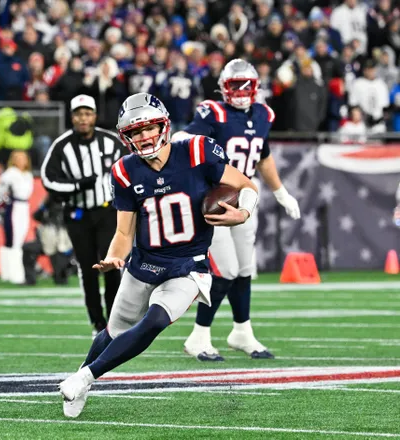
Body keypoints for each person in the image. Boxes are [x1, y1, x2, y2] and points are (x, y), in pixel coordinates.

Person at [58, 92, 258, 418]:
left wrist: (243, 214)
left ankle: (85, 376)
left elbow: (248, 186)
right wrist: (114, 257)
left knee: (155, 321)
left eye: (149, 127)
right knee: (113, 331)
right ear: (126, 137)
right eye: (135, 132)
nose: (144, 136)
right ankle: (81, 382)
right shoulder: (125, 171)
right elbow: (124, 232)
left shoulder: (196, 150)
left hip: (188, 265)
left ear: (164, 124)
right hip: (144, 262)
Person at [173, 59, 301, 361]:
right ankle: (199, 335)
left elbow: (263, 157)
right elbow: (187, 141)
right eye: (235, 86)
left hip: (245, 197)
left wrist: (281, 193)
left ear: (256, 87)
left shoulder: (263, 113)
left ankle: (242, 331)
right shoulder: (212, 112)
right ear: (223, 87)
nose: (242, 92)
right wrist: (179, 139)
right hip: (213, 197)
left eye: (247, 86)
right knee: (226, 270)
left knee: (244, 269)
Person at [41, 94, 129, 336]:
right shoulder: (62, 146)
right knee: (88, 268)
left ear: (95, 116)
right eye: (78, 114)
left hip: (108, 211)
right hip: (78, 213)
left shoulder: (111, 141)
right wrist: (77, 186)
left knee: (112, 264)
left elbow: (131, 168)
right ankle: (97, 322)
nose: (83, 118)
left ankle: (114, 320)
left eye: (87, 113)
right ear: (72, 117)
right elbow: (49, 179)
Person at [0, 150, 34, 284]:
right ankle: (14, 274)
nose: (22, 161)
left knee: (20, 239)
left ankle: (11, 272)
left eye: (24, 158)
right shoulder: (9, 175)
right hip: (13, 206)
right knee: (13, 240)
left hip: (24, 206)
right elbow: (0, 193)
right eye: (18, 158)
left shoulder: (28, 175)